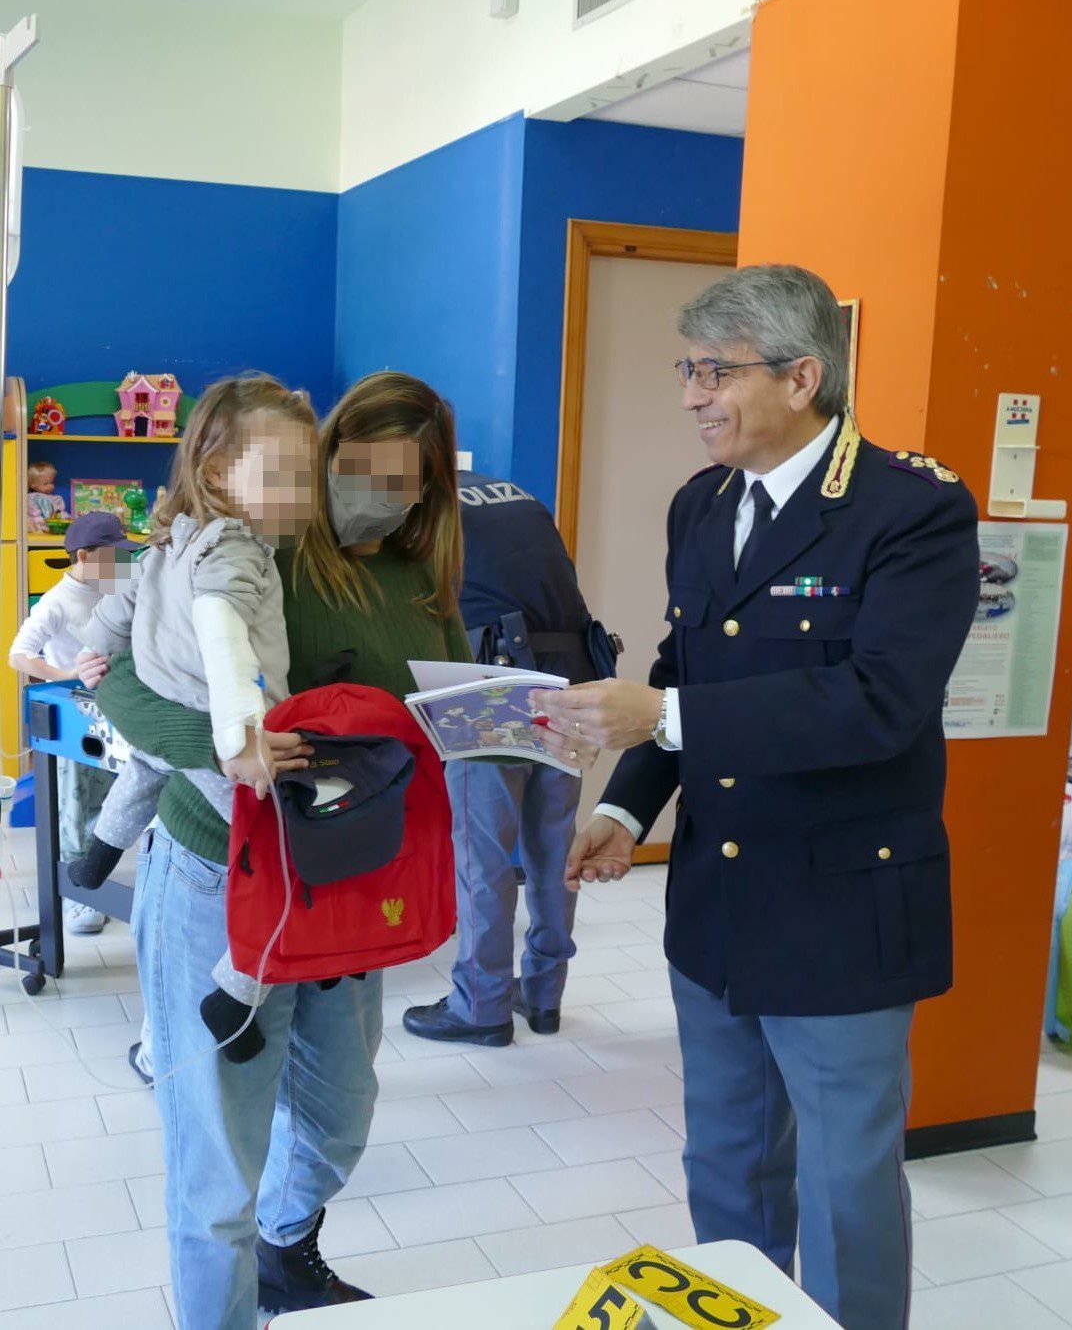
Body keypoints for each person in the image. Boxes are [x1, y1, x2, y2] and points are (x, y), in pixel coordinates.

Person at [531, 264, 980, 1330]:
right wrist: (625, 812)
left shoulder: (911, 510)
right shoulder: (704, 503)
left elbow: (880, 701)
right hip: (720, 903)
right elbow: (686, 668)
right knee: (726, 1162)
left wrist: (662, 720)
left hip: (843, 908)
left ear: (801, 377)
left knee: (844, 1188)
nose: (691, 395)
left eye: (713, 372)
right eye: (686, 369)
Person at [90, 372, 588, 1330]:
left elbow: (435, 702)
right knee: (215, 1174)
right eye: (358, 472)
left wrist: (511, 720)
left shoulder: (417, 573)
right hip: (219, 876)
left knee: (336, 1118)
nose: (378, 495)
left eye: (406, 482)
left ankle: (285, 1248)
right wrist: (226, 747)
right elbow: (111, 678)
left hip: (345, 877)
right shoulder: (257, 541)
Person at [72, 377, 321, 1062]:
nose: (300, 496)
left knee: (142, 776)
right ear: (217, 472)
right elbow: (220, 627)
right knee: (286, 862)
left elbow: (123, 602)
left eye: (307, 479)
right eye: (282, 477)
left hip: (162, 720)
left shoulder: (171, 536)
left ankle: (96, 858)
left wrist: (94, 646)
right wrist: (240, 734)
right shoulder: (237, 547)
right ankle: (235, 996)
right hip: (217, 732)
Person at [402, 469, 601, 1047]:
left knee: (482, 855)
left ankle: (480, 1006)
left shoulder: (421, 505)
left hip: (487, 680)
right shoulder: (517, 491)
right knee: (552, 847)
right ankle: (543, 994)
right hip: (571, 679)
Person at [7, 511, 139, 934]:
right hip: (76, 717)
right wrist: (68, 673)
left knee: (113, 798)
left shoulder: (114, 589)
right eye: (112, 557)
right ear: (82, 555)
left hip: (114, 707)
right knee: (75, 802)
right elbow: (18, 654)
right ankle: (78, 895)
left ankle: (96, 875)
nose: (122, 565)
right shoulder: (58, 601)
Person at [25, 460, 67, 532]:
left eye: (51, 482)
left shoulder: (55, 498)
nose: (50, 486)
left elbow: (59, 509)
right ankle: (40, 528)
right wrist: (38, 515)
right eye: (46, 484)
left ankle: (56, 528)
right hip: (39, 518)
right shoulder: (31, 497)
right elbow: (32, 509)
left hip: (53, 519)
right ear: (34, 485)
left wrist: (57, 513)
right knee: (34, 519)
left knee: (65, 516)